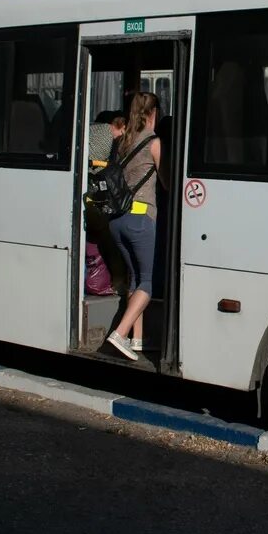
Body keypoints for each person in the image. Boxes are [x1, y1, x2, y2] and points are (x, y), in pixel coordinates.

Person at [105, 92, 167, 360]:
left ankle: (137, 339)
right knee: (147, 283)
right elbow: (166, 182)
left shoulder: (122, 141)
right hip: (141, 220)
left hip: (116, 220)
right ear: (153, 113)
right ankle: (120, 333)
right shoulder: (154, 143)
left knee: (134, 279)